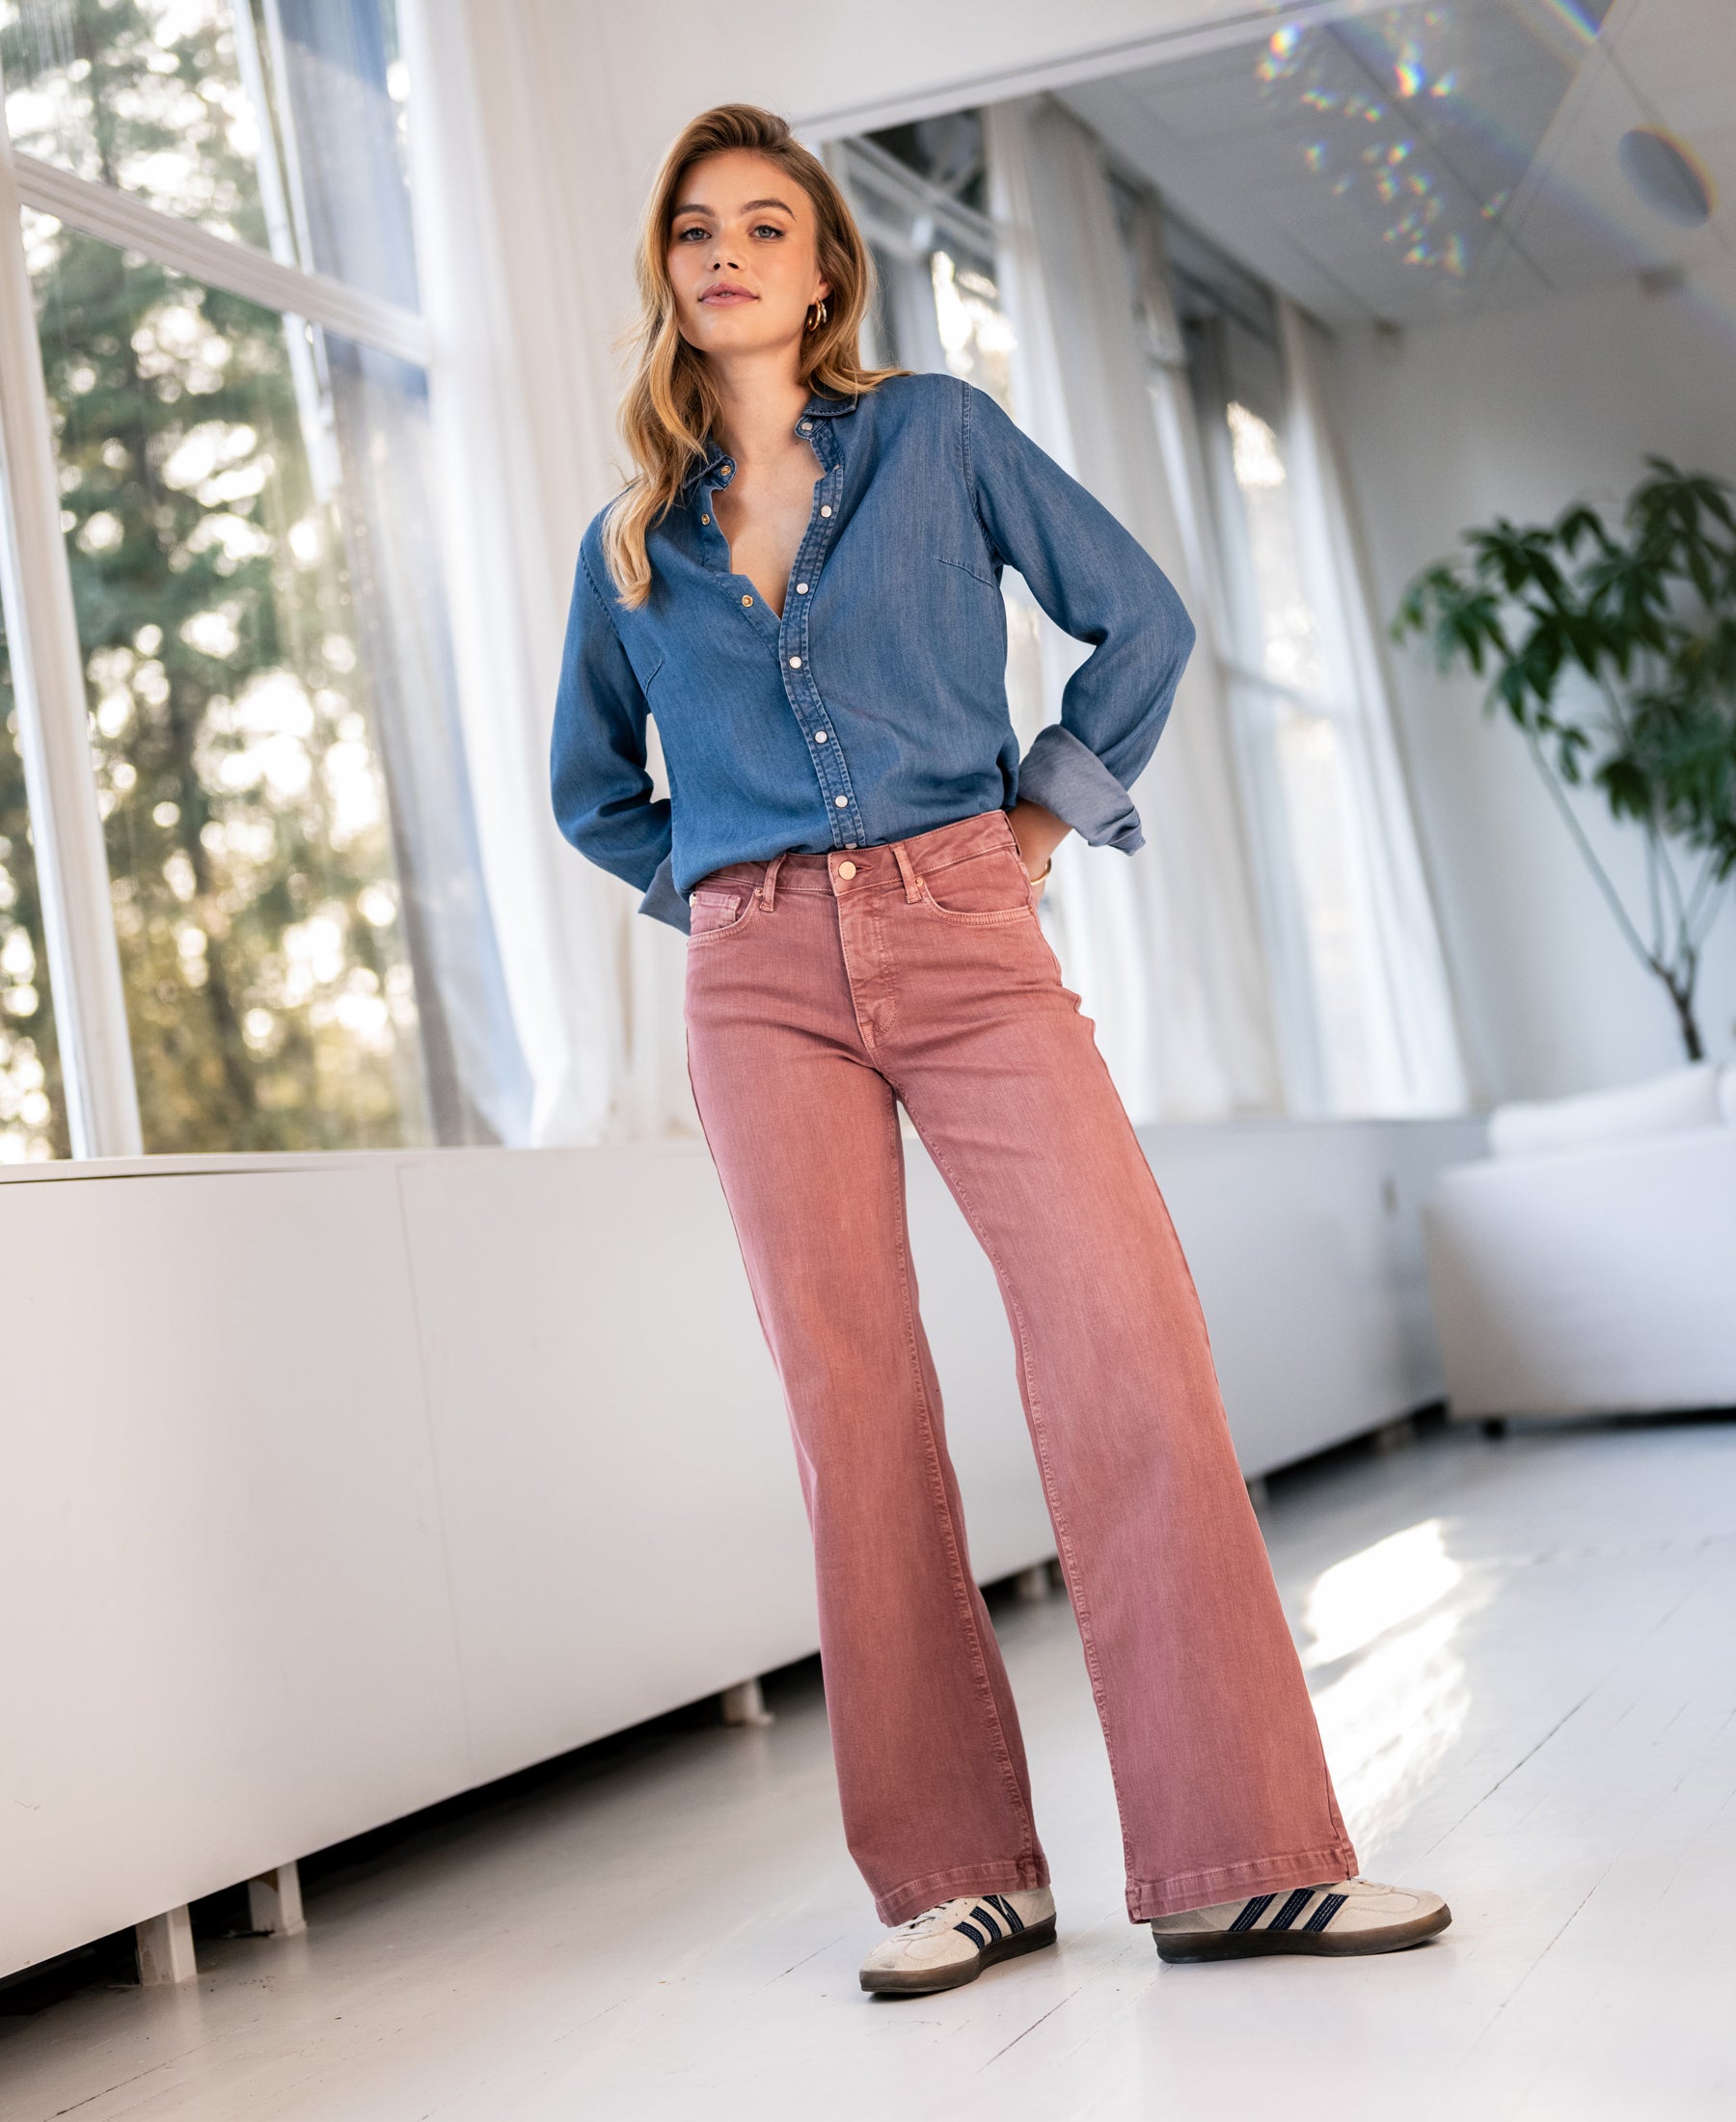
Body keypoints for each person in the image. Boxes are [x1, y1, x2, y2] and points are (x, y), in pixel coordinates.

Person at [551, 102, 1451, 1997]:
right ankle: (958, 1872)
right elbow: (591, 796)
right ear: (668, 272)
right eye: (695, 227)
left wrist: (1034, 821)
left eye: (765, 224)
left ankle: (1242, 1857)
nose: (727, 253)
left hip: (970, 927)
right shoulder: (627, 540)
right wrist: (728, 900)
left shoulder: (940, 438)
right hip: (758, 985)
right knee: (854, 1410)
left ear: (823, 268)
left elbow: (1142, 617)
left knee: (1126, 1332)